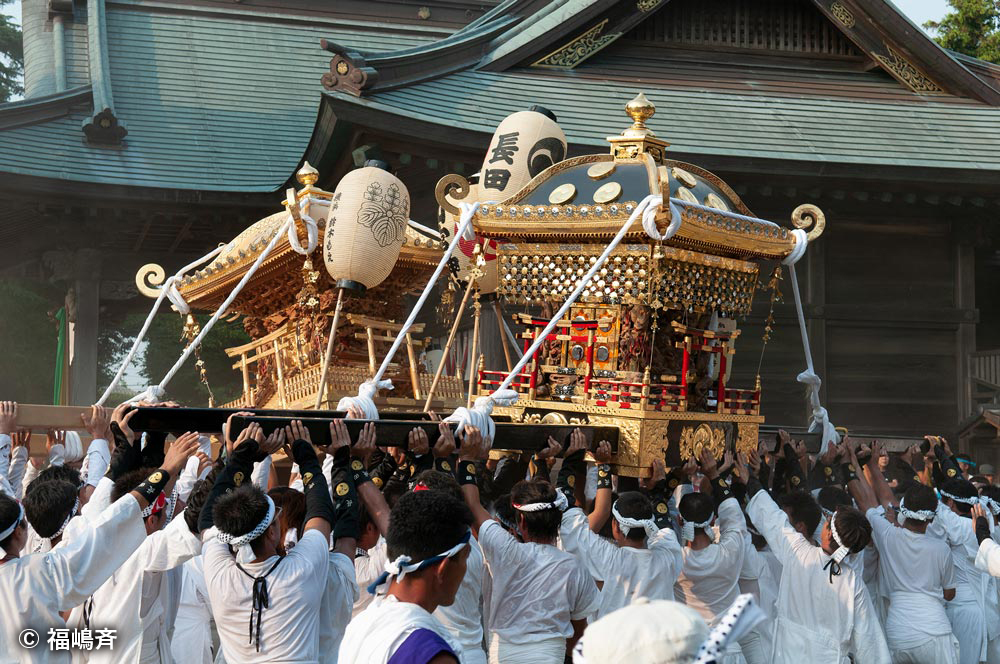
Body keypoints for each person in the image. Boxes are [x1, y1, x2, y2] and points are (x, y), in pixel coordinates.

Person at [0, 400, 197, 664]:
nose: (86, 496)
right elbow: (110, 520)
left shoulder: (55, 562)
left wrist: (132, 448)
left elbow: (104, 517)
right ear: (19, 533)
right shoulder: (44, 571)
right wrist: (162, 466)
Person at [200, 419, 359, 662]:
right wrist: (306, 455)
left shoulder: (218, 573)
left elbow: (207, 520)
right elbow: (322, 513)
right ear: (272, 533)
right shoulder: (303, 569)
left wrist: (240, 458)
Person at [457, 427, 599, 663]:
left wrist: (466, 458)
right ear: (558, 520)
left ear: (520, 520)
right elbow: (578, 635)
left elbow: (472, 503)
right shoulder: (574, 567)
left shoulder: (503, 548)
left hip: (502, 657)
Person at [744, 448, 890, 663]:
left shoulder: (799, 552)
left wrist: (750, 479)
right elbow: (870, 644)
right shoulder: (853, 582)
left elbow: (771, 517)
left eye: (827, 522)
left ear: (828, 532)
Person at [846, 441, 958, 663]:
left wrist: (853, 464)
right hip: (935, 629)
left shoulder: (888, 534)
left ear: (903, 511)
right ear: (930, 519)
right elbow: (949, 593)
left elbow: (866, 502)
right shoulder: (941, 548)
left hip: (899, 632)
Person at [339, 489, 473, 663]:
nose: (464, 568)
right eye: (465, 558)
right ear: (443, 568)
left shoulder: (359, 627)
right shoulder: (433, 654)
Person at [559, 445, 682, 619]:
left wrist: (599, 466)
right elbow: (664, 523)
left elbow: (570, 521)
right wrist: (660, 485)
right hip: (656, 637)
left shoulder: (609, 558)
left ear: (615, 526)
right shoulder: (667, 557)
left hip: (612, 637)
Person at [930, 476, 993, 664]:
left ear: (950, 503)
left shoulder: (962, 526)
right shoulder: (985, 524)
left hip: (963, 611)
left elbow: (938, 511)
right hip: (972, 609)